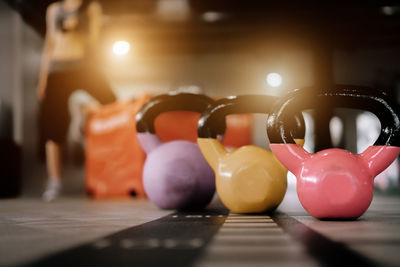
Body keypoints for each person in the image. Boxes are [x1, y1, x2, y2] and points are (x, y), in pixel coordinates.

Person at [37, 0, 116, 201]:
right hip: (57, 69)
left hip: (83, 67)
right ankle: (55, 181)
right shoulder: (53, 9)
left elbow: (94, 41)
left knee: (112, 103)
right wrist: (43, 78)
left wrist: (77, 27)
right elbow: (50, 43)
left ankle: (111, 172)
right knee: (53, 126)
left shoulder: (91, 8)